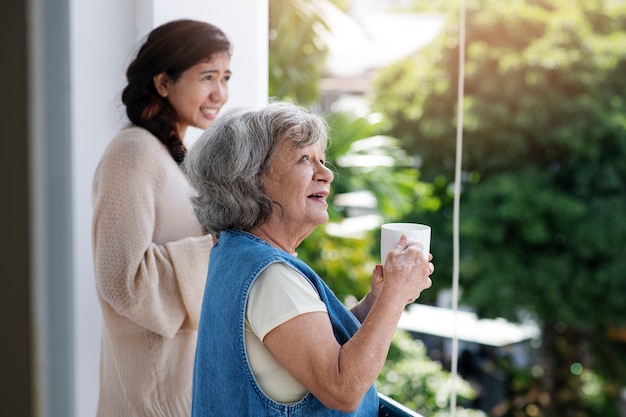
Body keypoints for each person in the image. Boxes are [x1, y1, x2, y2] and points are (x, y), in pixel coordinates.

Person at [184, 101, 434, 416]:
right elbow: (343, 389)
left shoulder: (236, 253)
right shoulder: (271, 277)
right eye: (305, 159)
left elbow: (314, 345)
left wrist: (378, 300)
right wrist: (395, 295)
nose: (327, 174)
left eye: (322, 160)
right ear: (252, 177)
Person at [91, 19, 232, 417]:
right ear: (163, 83)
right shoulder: (133, 152)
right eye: (207, 77)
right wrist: (218, 250)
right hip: (150, 396)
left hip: (178, 384)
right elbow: (123, 280)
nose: (219, 92)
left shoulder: (170, 154)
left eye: (225, 77)